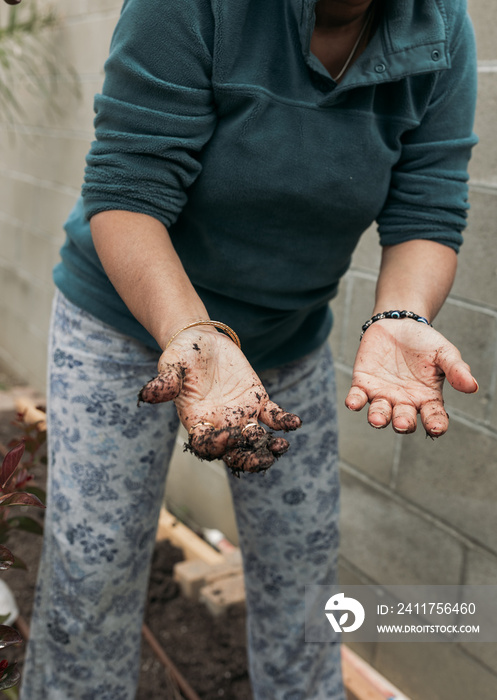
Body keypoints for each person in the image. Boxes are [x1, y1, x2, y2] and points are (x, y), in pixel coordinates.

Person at [20, 0, 479, 698]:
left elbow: (427, 208)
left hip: (284, 339)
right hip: (126, 323)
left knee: (302, 572)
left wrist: (400, 312)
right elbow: (126, 194)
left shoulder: (441, 25)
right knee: (96, 569)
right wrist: (190, 333)